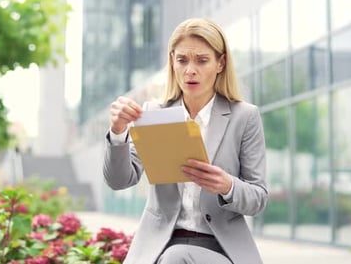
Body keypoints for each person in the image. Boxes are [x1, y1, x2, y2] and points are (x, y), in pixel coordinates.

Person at [103, 17, 268, 264]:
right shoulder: (153, 113)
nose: (190, 70)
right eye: (182, 60)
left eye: (202, 61)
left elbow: (258, 198)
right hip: (159, 245)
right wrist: (118, 132)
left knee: (175, 258)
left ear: (220, 63)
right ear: (172, 61)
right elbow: (119, 181)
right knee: (171, 257)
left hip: (222, 249)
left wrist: (227, 186)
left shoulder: (244, 116)